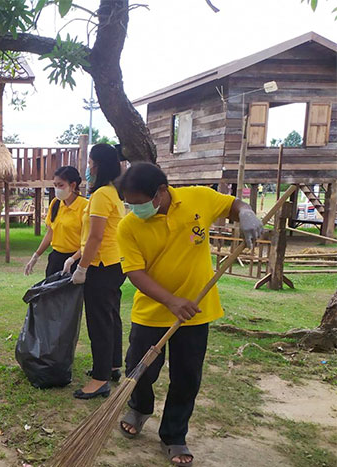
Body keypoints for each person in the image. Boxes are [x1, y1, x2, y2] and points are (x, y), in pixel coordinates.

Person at [116, 162, 264, 467]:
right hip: (152, 313)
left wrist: (246, 212)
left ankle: (173, 434)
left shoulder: (198, 198)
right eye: (128, 203)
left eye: (138, 202)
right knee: (139, 369)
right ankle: (140, 407)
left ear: (160, 192)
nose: (133, 208)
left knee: (186, 377)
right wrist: (170, 301)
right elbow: (135, 272)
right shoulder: (128, 226)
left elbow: (233, 205)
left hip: (195, 312)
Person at [64, 144, 126, 400]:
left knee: (99, 322)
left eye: (90, 163)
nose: (88, 167)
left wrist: (82, 268)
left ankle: (100, 380)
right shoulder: (113, 193)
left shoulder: (101, 195)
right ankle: (111, 366)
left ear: (98, 165)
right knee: (111, 316)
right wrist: (76, 257)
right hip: (115, 263)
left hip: (101, 266)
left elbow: (96, 237)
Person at [24, 166, 87, 277]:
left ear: (72, 185)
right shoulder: (56, 203)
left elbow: (88, 241)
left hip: (76, 259)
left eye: (61, 185)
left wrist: (72, 260)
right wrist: (36, 256)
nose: (57, 189)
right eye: (55, 185)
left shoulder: (85, 206)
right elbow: (50, 233)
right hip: (56, 258)